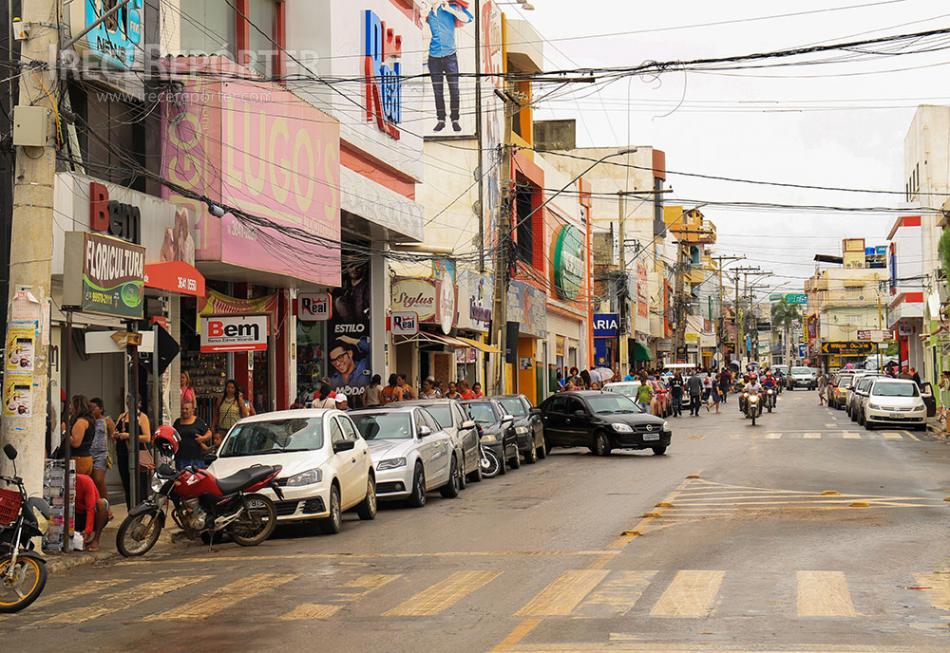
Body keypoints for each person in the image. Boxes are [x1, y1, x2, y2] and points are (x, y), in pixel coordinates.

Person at [425, 0, 473, 132]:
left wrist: (450, 10)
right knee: (438, 91)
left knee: (454, 89)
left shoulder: (449, 8)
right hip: (433, 57)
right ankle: (441, 119)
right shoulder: (428, 12)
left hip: (450, 56)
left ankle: (455, 119)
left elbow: (468, 18)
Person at [113, 400, 151, 507]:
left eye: (132, 401)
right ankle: (130, 509)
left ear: (139, 403)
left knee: (139, 484)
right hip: (122, 453)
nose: (129, 404)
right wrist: (116, 434)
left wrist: (128, 435)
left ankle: (141, 509)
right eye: (128, 401)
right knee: (126, 484)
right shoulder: (122, 416)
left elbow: (147, 437)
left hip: (138, 454)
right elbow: (115, 432)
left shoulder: (142, 417)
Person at [88, 397, 115, 510]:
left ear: (101, 408)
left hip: (101, 454)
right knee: (90, 481)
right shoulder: (88, 420)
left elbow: (113, 435)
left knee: (99, 480)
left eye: (94, 408)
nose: (92, 411)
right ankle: (95, 506)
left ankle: (106, 506)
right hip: (89, 454)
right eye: (90, 408)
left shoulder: (106, 421)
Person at [74, 472, 109, 552]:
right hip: (74, 515)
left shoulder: (85, 481)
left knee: (102, 503)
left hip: (89, 515)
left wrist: (88, 530)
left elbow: (91, 508)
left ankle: (96, 540)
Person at [173, 402, 212, 471]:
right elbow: (172, 434)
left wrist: (203, 438)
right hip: (181, 457)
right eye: (182, 409)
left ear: (192, 410)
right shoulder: (177, 422)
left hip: (196, 458)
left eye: (187, 409)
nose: (184, 411)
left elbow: (209, 433)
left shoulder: (198, 421)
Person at [212, 379, 249, 448]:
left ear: (235, 389)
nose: (229, 389)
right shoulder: (220, 400)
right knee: (222, 447)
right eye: (228, 387)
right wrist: (213, 426)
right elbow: (216, 414)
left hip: (234, 429)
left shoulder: (239, 400)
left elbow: (245, 415)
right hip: (222, 429)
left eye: (232, 388)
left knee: (233, 447)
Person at [67, 395, 96, 477]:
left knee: (77, 485)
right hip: (86, 457)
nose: (69, 407)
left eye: (71, 404)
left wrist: (64, 431)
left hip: (79, 458)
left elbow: (75, 443)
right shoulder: (89, 420)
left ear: (76, 406)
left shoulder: (81, 422)